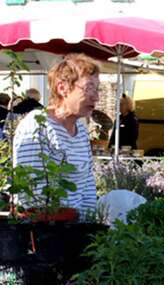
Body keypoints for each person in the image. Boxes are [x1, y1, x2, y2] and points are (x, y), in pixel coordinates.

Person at [13, 53, 100, 216]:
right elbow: (32, 197)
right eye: (88, 88)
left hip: (75, 229)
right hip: (43, 231)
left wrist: (88, 226)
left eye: (97, 89)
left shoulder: (80, 131)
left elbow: (87, 186)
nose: (96, 96)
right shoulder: (37, 126)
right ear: (62, 88)